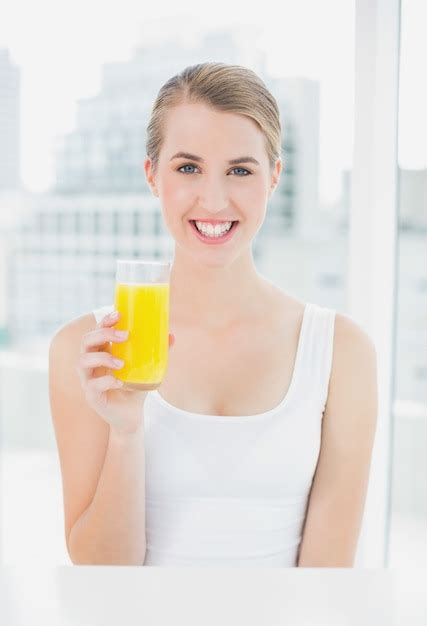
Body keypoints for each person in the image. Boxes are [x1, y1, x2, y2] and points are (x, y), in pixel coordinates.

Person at [49, 61, 378, 567]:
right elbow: (100, 574)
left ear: (274, 178)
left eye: (241, 170)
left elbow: (326, 585)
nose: (215, 198)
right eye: (187, 168)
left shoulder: (341, 352)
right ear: (151, 176)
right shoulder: (88, 349)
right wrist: (126, 431)